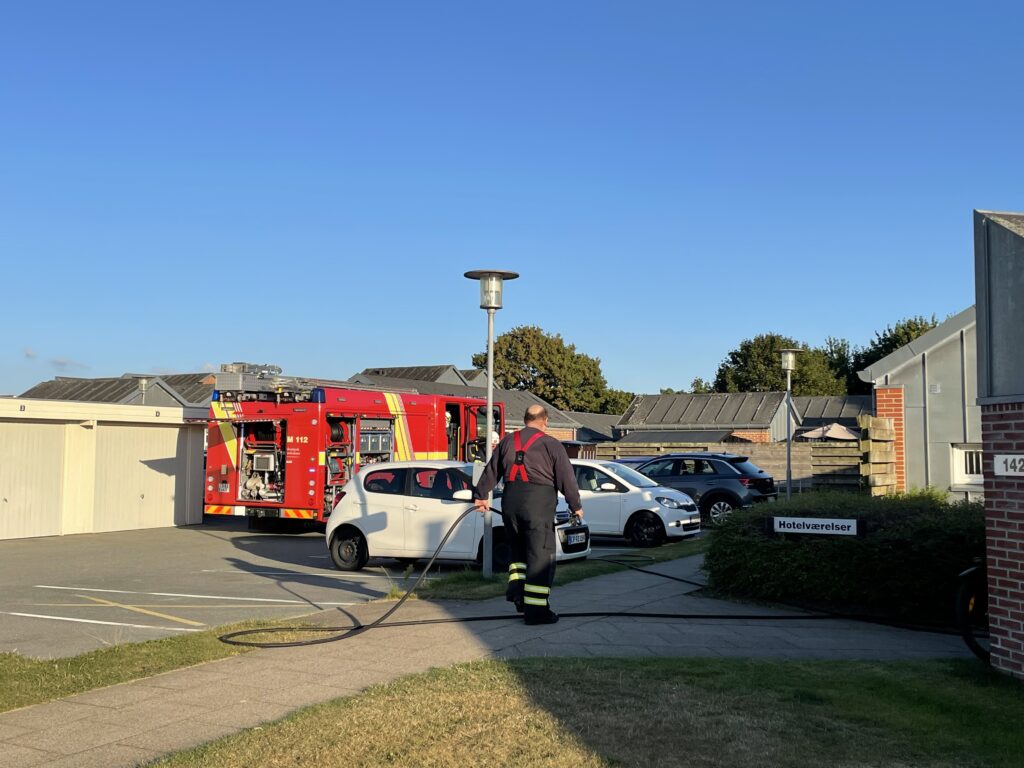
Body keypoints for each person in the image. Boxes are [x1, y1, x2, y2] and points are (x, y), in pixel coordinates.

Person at [473, 404, 583, 625]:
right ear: (545, 421)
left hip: (511, 503)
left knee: (519, 553)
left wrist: (481, 495)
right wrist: (576, 506)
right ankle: (536, 612)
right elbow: (566, 478)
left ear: (525, 420)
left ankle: (518, 595)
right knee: (540, 556)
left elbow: (492, 470)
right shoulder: (551, 445)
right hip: (538, 504)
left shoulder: (507, 442)